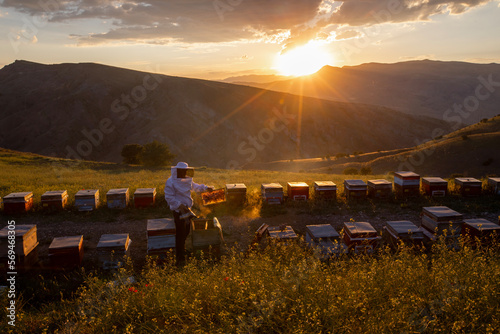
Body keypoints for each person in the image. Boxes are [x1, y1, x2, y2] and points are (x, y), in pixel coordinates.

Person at [164, 162, 213, 265]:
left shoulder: (187, 180)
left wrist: (206, 188)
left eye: (186, 171)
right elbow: (169, 197)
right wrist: (180, 206)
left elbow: (196, 187)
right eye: (182, 171)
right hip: (179, 211)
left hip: (187, 209)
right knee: (181, 233)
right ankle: (180, 257)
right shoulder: (170, 181)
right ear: (177, 171)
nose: (185, 173)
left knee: (186, 231)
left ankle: (182, 250)